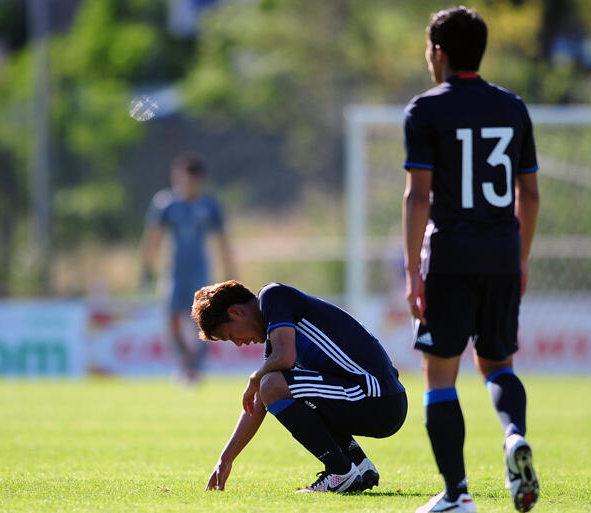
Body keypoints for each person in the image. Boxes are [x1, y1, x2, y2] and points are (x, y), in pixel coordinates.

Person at [402, 7, 541, 513]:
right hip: (503, 252)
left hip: (452, 256)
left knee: (440, 374)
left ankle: (457, 494)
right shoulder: (512, 107)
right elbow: (530, 194)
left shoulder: (425, 110)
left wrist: (413, 270)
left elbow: (418, 198)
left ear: (438, 52)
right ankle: (513, 436)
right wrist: (520, 256)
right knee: (498, 362)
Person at [191, 280, 407, 493]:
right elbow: (259, 399)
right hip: (380, 399)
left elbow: (283, 362)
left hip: (376, 397)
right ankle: (358, 464)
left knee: (272, 384)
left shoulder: (272, 295)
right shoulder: (276, 332)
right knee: (277, 386)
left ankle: (340, 472)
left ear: (236, 312)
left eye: (231, 336)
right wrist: (226, 458)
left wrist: (255, 378)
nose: (239, 343)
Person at [141, 153, 236, 385]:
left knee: (202, 320)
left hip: (201, 272)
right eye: (182, 178)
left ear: (199, 179)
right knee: (172, 319)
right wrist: (146, 267)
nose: (186, 183)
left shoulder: (209, 205)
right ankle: (185, 362)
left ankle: (195, 368)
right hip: (173, 271)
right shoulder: (166, 203)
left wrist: (229, 271)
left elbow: (222, 240)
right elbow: (153, 237)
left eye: (191, 178)